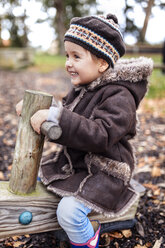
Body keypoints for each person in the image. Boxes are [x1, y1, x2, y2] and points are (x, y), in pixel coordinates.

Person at [16, 13, 153, 248]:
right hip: (79, 163)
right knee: (41, 182)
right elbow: (66, 112)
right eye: (67, 55)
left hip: (105, 171)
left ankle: (87, 238)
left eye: (76, 56)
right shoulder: (85, 86)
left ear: (102, 63)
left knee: (68, 213)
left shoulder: (120, 96)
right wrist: (36, 109)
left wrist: (56, 118)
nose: (68, 62)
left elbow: (101, 134)